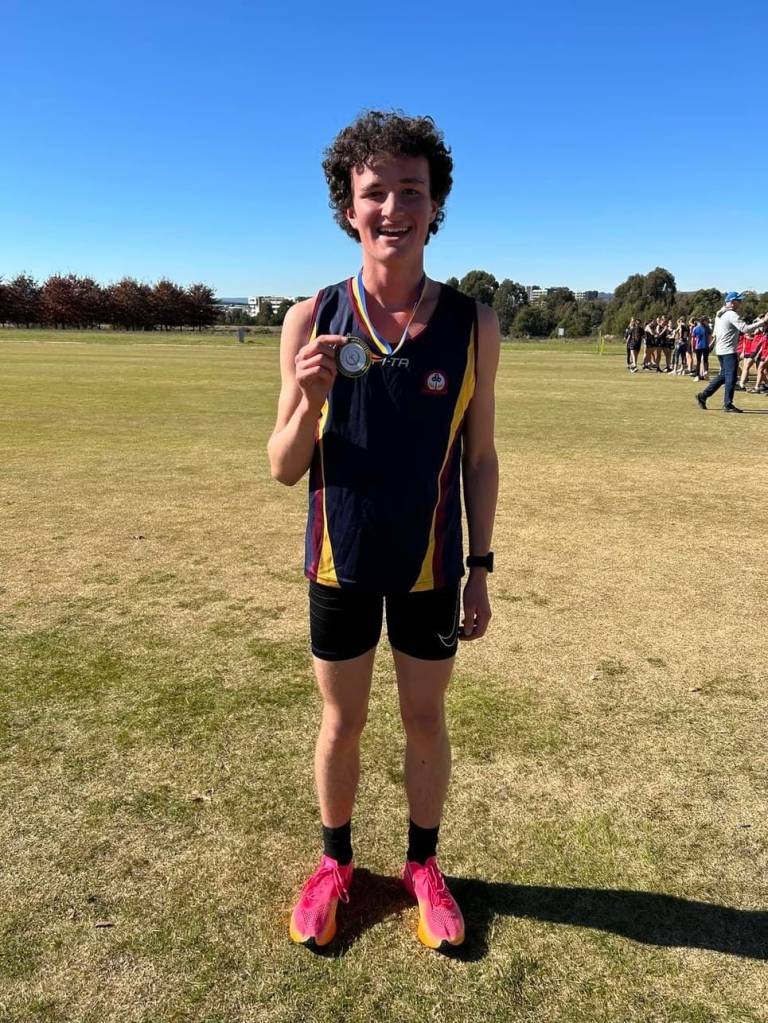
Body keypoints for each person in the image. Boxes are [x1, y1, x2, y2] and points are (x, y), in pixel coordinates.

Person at [267, 111, 500, 951]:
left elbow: (480, 455)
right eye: (375, 192)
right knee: (342, 721)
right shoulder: (312, 317)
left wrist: (480, 566)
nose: (393, 208)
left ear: (436, 206)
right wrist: (309, 400)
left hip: (433, 566)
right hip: (341, 561)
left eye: (412, 191)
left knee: (425, 720)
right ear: (348, 207)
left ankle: (422, 865)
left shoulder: (474, 323)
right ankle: (335, 863)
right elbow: (283, 464)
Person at [696, 293, 768, 412]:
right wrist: (763, 321)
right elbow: (745, 329)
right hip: (728, 350)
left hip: (721, 350)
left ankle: (703, 396)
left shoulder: (720, 314)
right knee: (731, 377)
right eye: (739, 301)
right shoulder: (732, 314)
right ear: (733, 302)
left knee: (724, 376)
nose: (740, 303)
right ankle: (728, 404)